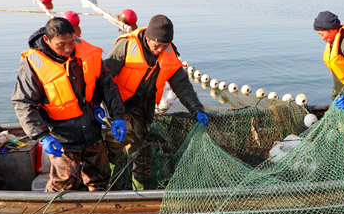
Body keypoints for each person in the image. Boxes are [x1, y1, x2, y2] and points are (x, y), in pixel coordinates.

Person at [12, 17, 127, 192]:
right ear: (47, 40)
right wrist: (42, 136)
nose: (68, 49)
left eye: (71, 42)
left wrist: (117, 115)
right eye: (61, 44)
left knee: (101, 178)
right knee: (64, 185)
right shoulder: (32, 64)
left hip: (92, 130)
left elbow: (107, 85)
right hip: (61, 138)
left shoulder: (87, 53)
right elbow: (23, 103)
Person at [104, 14, 208, 190]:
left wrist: (197, 109)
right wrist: (111, 112)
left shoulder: (169, 52)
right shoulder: (127, 45)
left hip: (143, 106)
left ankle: (141, 194)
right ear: (148, 38)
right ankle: (110, 186)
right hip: (117, 102)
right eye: (157, 45)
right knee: (115, 143)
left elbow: (182, 85)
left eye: (164, 46)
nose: (160, 50)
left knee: (142, 151)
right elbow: (104, 79)